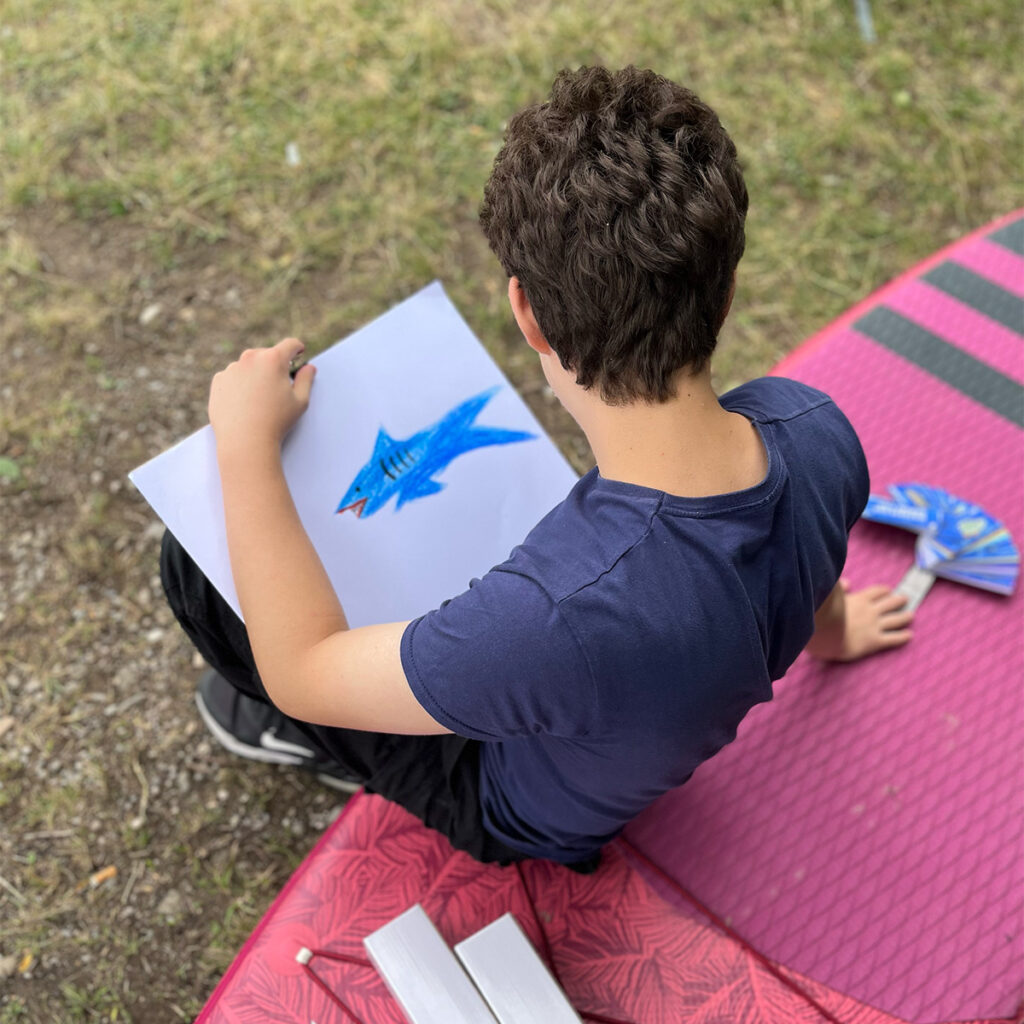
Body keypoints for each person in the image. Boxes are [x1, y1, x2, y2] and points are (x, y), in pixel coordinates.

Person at [160, 65, 914, 872]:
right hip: (609, 705)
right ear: (726, 291)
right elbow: (816, 563)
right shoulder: (814, 426)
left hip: (510, 805)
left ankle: (298, 744)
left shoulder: (544, 622)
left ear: (528, 314)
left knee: (197, 567)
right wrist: (835, 634)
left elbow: (303, 672)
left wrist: (243, 448)